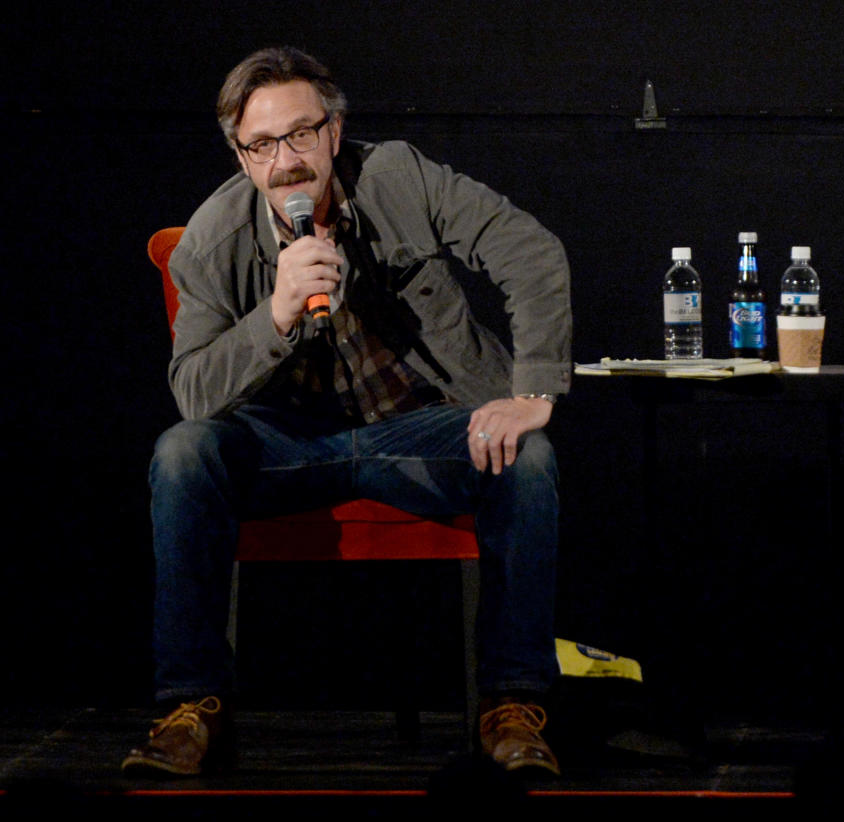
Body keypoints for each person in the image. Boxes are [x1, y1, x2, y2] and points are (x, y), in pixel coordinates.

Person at [122, 46, 572, 778]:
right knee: (182, 452)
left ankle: (513, 707)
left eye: (300, 134)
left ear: (333, 131)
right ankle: (190, 707)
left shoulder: (396, 174)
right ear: (241, 158)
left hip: (417, 429)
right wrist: (276, 314)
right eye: (262, 145)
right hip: (285, 445)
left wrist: (533, 393)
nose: (286, 161)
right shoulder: (211, 239)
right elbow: (195, 393)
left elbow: (532, 252)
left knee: (529, 456)